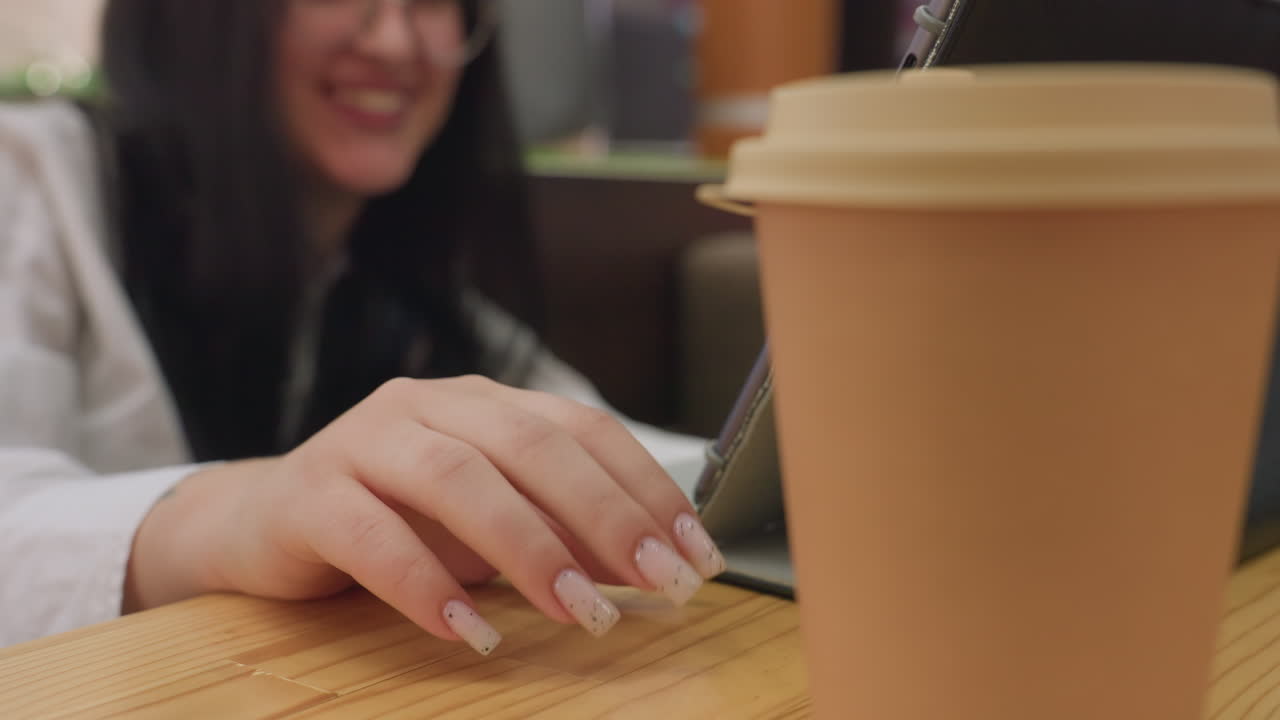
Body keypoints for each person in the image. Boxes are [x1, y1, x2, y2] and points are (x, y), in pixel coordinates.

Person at [0, 0, 726, 655]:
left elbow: (626, 465)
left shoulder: (409, 294)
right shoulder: (36, 175)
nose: (394, 39)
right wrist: (243, 513)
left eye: (433, 2)